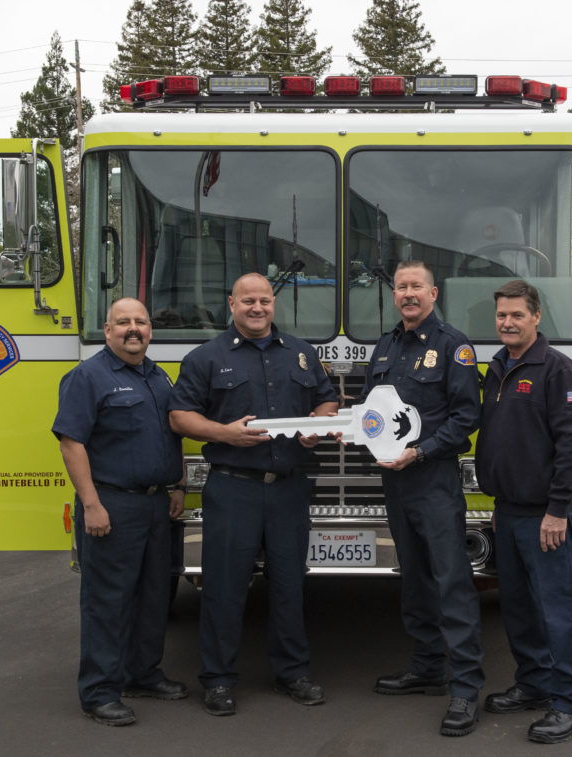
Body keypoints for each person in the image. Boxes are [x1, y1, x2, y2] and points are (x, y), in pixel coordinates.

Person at [168, 273, 338, 716]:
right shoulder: (205, 357)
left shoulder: (302, 355)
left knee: (289, 587)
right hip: (233, 488)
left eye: (264, 300)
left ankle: (293, 674)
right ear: (232, 304)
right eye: (248, 301)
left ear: (273, 305)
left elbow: (326, 400)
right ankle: (219, 680)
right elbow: (181, 417)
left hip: (288, 491)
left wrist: (315, 429)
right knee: (224, 589)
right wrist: (223, 433)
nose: (257, 308)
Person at [362, 260, 484, 737]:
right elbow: (375, 411)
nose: (408, 294)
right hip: (397, 483)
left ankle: (467, 688)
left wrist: (420, 452)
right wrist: (353, 430)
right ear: (395, 295)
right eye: (401, 287)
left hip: (433, 480)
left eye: (416, 287)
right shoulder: (388, 344)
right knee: (413, 578)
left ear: (434, 294)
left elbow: (465, 419)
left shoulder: (453, 347)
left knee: (451, 581)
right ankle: (428, 667)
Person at [52, 297, 188, 726]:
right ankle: (99, 692)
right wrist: (91, 504)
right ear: (107, 330)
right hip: (112, 503)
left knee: (153, 597)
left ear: (151, 330)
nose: (134, 329)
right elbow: (71, 443)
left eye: (141, 322)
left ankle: (142, 674)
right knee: (108, 601)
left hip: (154, 503)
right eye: (123, 322)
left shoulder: (158, 377)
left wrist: (179, 485)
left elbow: (173, 434)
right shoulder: (87, 377)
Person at [474, 279, 572, 744]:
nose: (507, 322)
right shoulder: (499, 366)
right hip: (508, 513)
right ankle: (535, 684)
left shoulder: (556, 370)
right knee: (519, 609)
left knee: (562, 611)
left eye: (517, 315)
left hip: (546, 516)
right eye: (501, 315)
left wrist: (558, 509)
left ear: (536, 317)